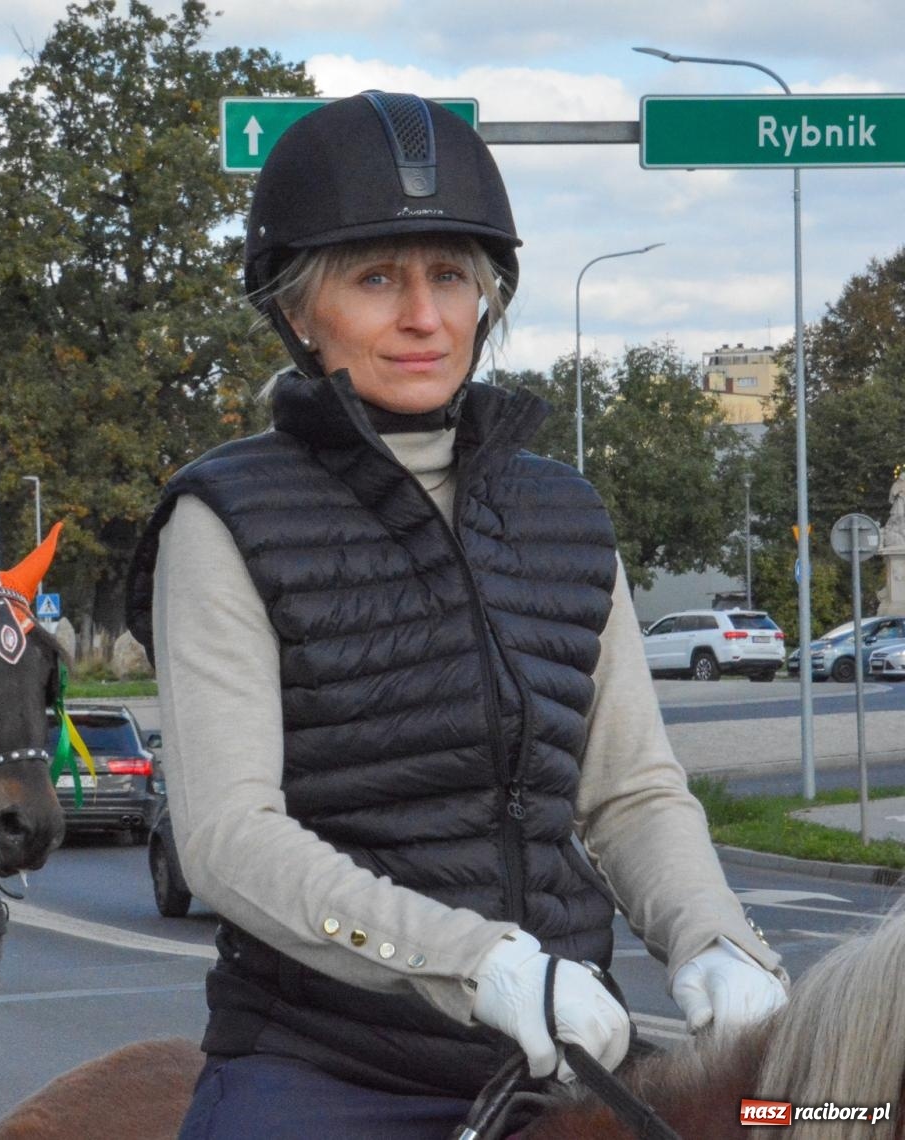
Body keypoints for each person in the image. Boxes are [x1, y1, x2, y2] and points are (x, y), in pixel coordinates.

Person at [126, 92, 789, 1138]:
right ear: (300, 311)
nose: (423, 315)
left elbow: (630, 792)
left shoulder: (564, 514)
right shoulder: (225, 518)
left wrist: (716, 942)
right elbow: (223, 835)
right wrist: (476, 966)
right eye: (376, 277)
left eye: (451, 276)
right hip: (326, 1070)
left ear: (487, 296)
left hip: (570, 1052)